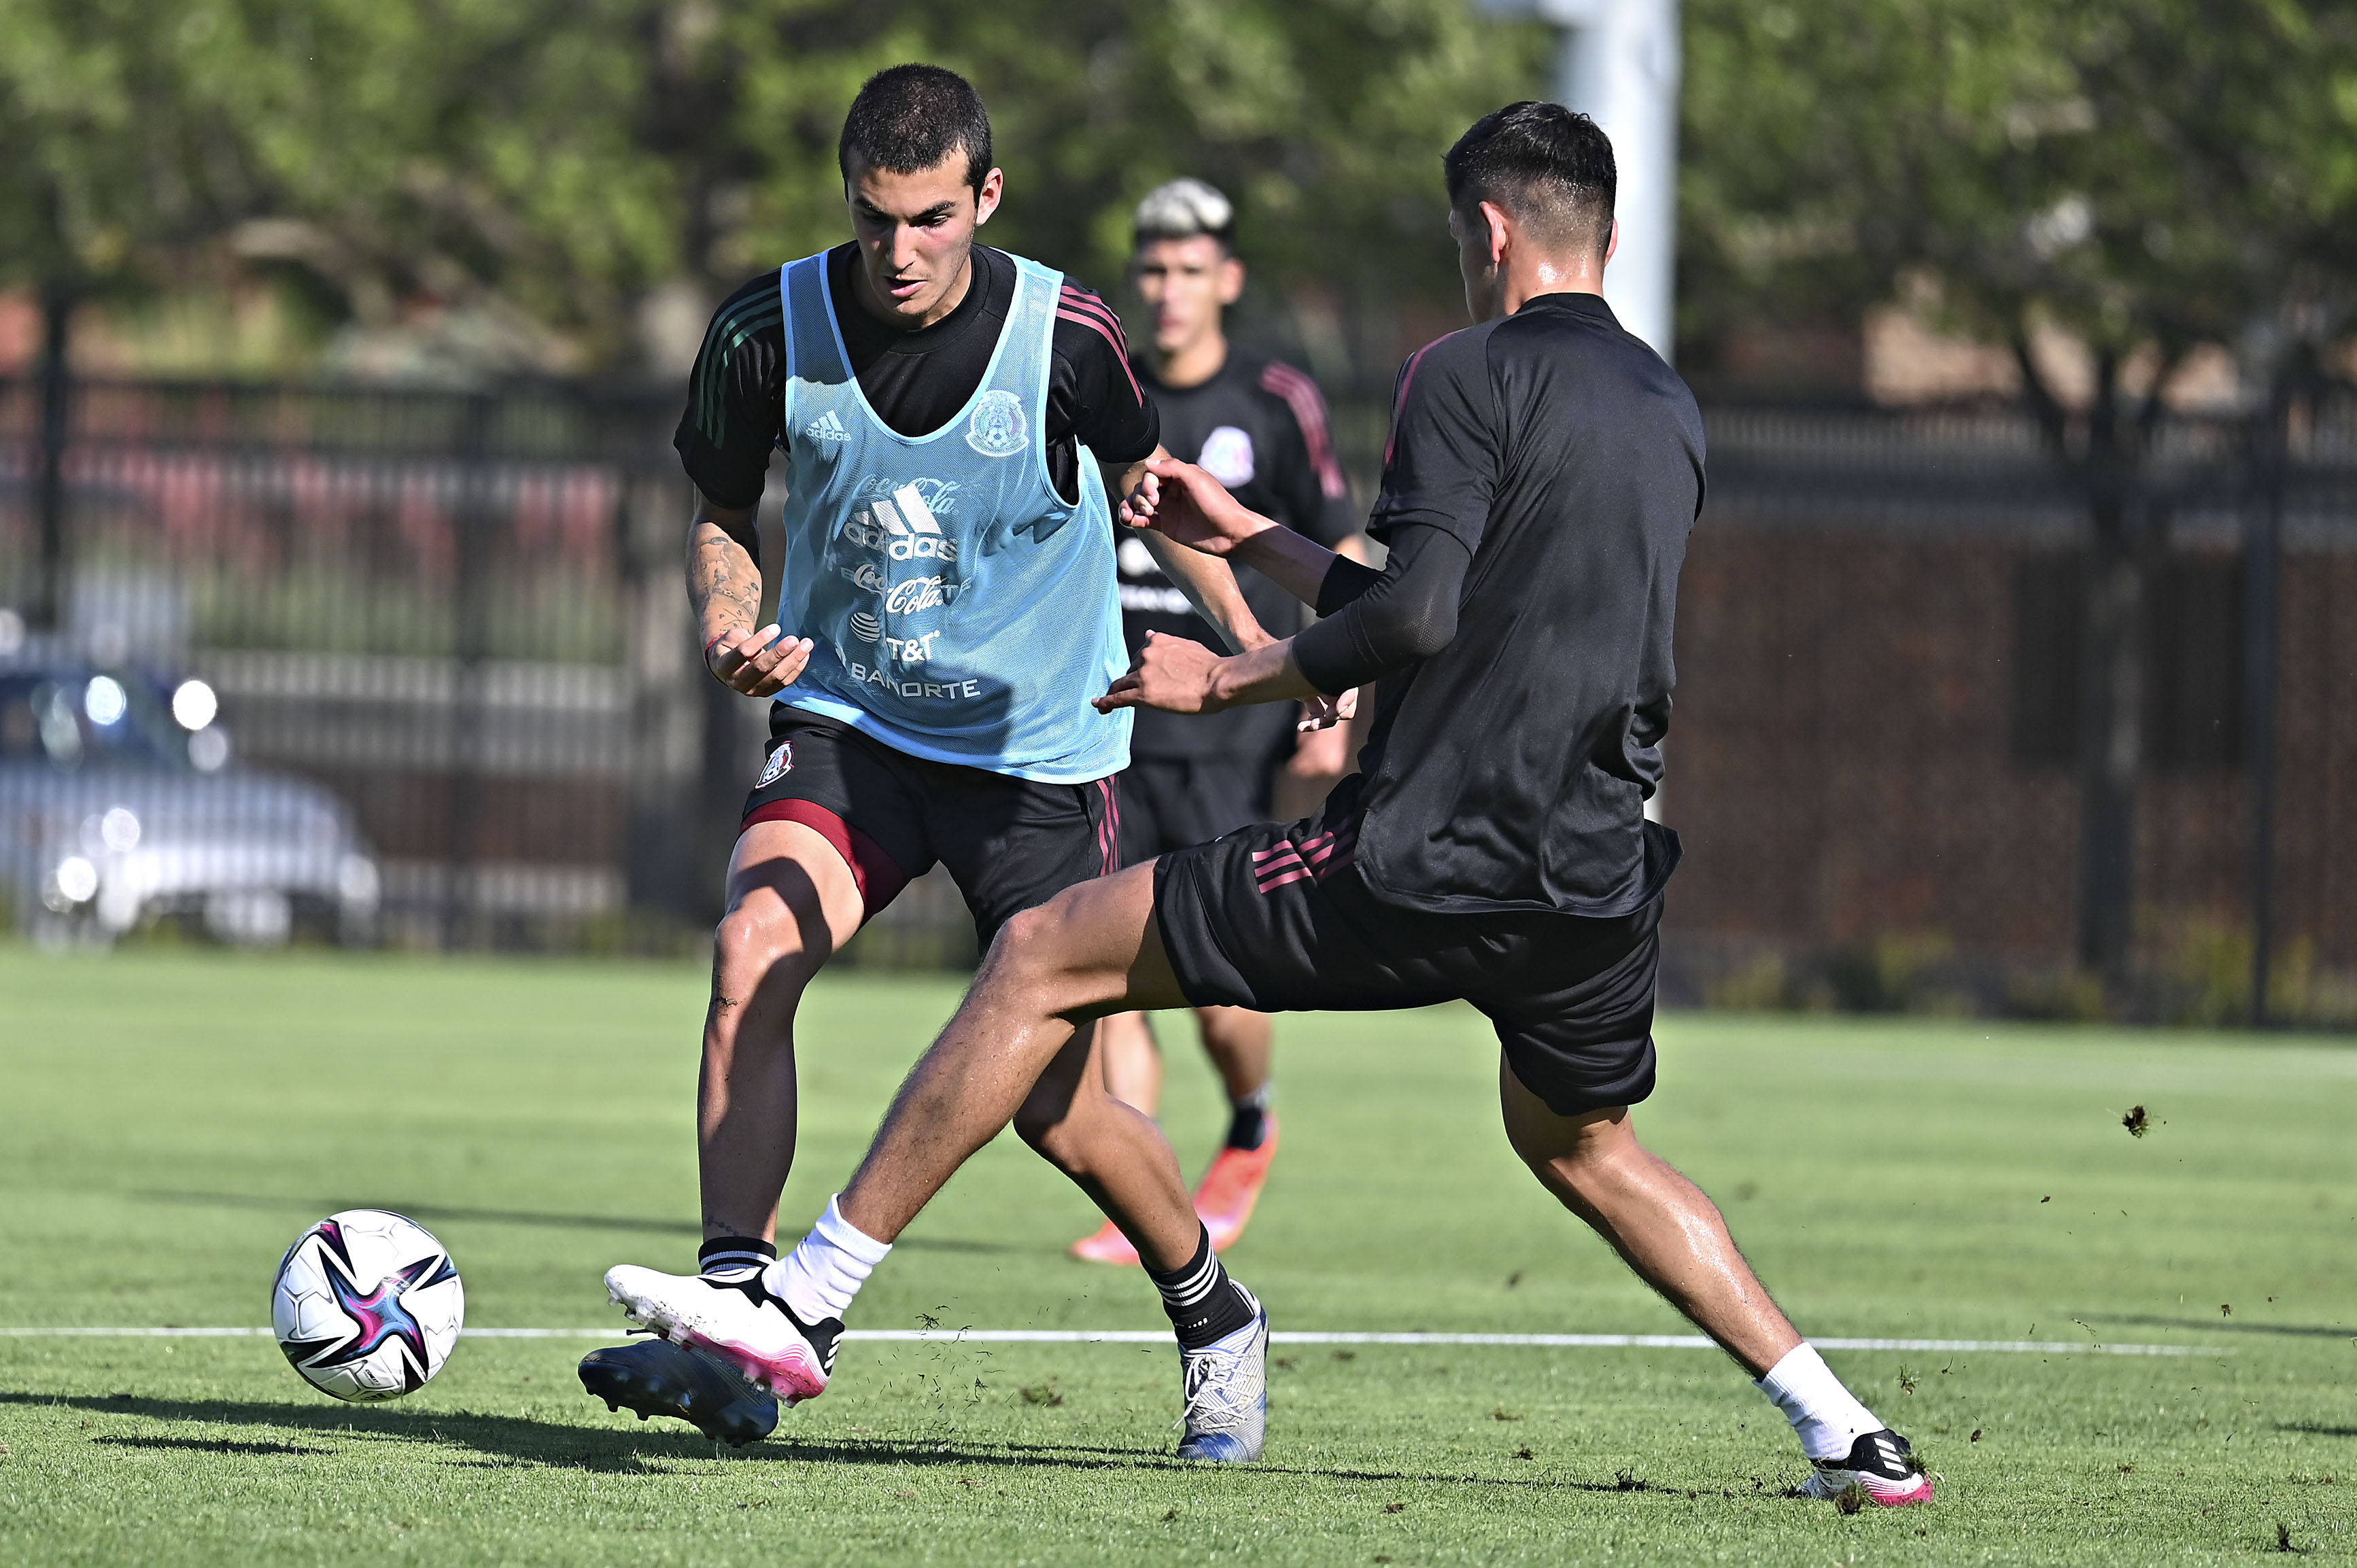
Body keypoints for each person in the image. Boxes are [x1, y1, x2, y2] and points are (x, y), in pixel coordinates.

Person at [601, 102, 1935, 1505]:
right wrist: (1256, 540)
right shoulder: (1667, 405)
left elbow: (1414, 616)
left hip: (1426, 856)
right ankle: (1846, 1426)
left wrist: (1233, 676)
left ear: (1487, 233)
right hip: (1592, 878)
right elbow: (1454, 613)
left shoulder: (1459, 371)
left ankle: (803, 1306)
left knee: (1042, 952)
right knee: (1582, 1145)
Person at [578, 63, 1289, 1449]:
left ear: (986, 197)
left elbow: (1167, 512)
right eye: (871, 219)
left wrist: (1269, 656)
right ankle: (740, 1307)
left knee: (1058, 1109)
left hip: (1039, 747)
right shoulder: (759, 329)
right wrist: (732, 619)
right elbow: (722, 514)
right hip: (855, 718)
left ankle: (1212, 1308)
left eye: (928, 220)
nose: (897, 253)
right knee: (751, 951)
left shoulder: (1073, 337)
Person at [1069, 177, 1364, 1268]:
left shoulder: (1278, 397)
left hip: (1230, 729)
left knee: (1209, 980)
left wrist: (1338, 700)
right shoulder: (1105, 388)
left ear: (1228, 280)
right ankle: (1133, 1191)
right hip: (1109, 716)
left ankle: (1250, 1119)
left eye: (1191, 269)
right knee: (1103, 969)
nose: (1169, 288)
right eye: (1152, 268)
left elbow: (1342, 551)